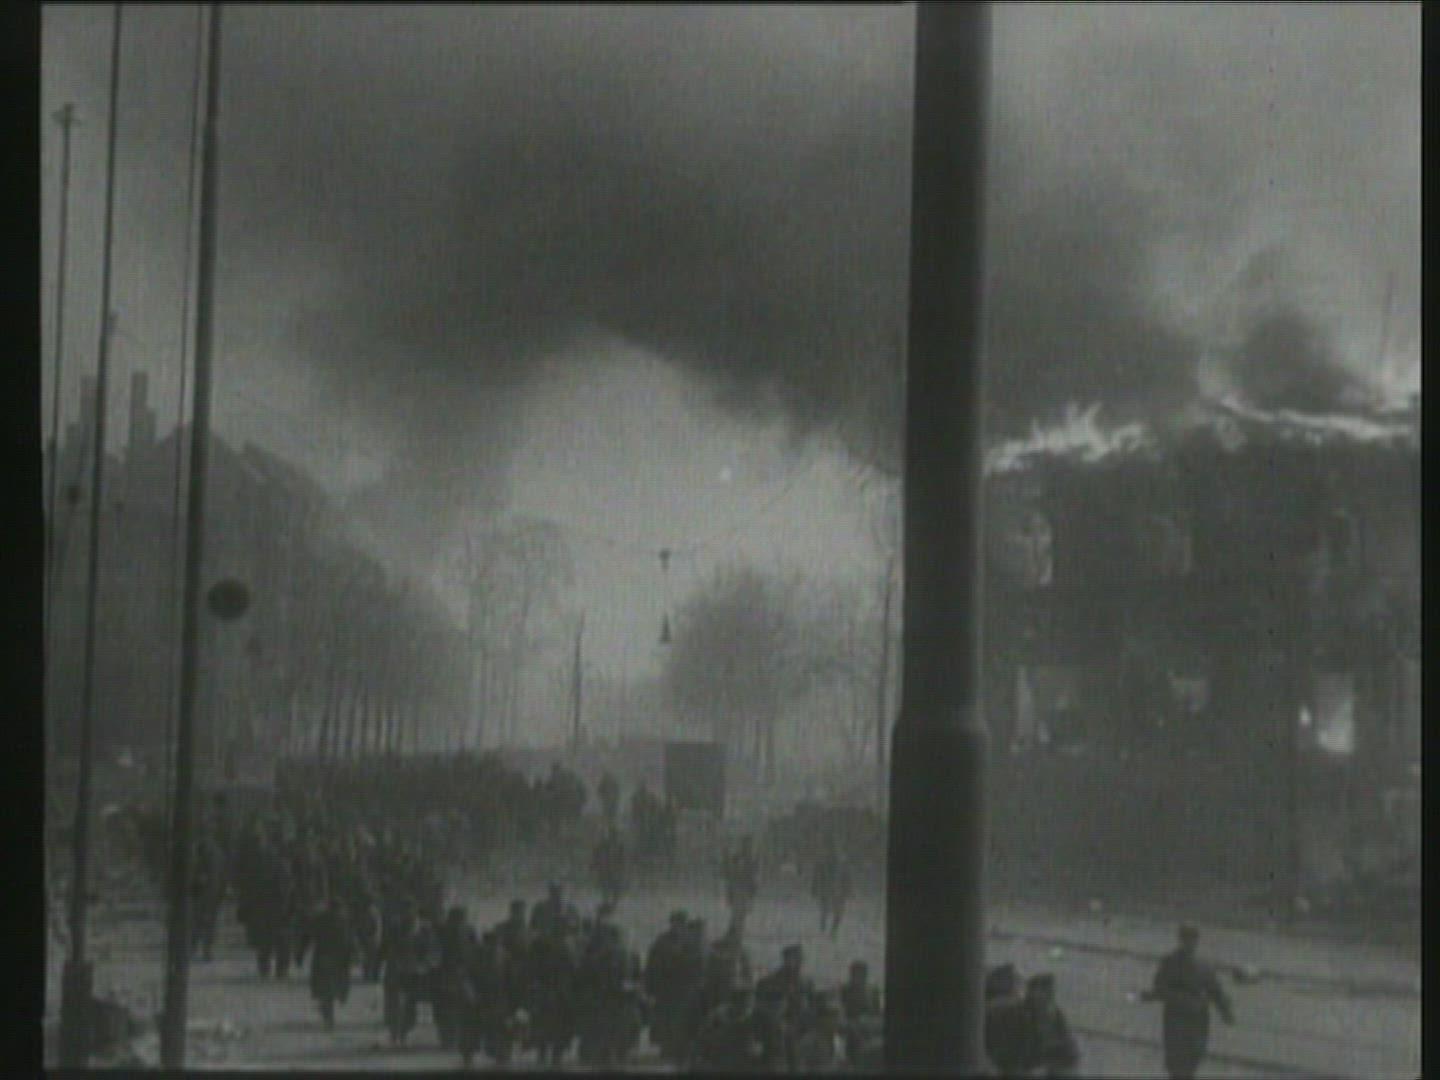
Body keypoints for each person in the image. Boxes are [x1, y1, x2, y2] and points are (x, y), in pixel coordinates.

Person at [1146, 925, 1234, 1080]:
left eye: (1193, 940)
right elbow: (1160, 988)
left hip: (1198, 1021)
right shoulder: (1170, 963)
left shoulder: (1203, 965)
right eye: (1186, 940)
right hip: (1176, 1020)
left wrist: (1225, 1011)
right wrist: (1183, 1000)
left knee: (1194, 1058)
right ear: (1180, 941)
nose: (1190, 944)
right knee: (1177, 1063)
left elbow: (1215, 990)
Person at [986, 973, 1079, 1077]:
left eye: (1047, 994)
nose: (1042, 998)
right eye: (1038, 992)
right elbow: (1004, 1054)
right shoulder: (1010, 1013)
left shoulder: (1055, 1017)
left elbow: (1070, 1055)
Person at [840, 960, 883, 1062]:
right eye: (855, 974)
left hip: (869, 1023)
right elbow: (842, 1009)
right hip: (852, 1023)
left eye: (861, 974)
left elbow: (877, 1011)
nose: (858, 978)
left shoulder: (872, 990)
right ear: (851, 975)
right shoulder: (845, 990)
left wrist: (872, 1021)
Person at [811, 838, 852, 939]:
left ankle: (833, 931)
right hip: (827, 889)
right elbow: (817, 875)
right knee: (826, 910)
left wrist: (848, 889)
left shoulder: (842, 862)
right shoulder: (822, 862)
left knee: (838, 912)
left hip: (838, 890)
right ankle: (824, 928)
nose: (834, 850)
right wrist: (814, 888)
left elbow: (847, 877)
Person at [722, 836, 760, 928]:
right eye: (747, 844)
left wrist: (753, 888)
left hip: (744, 887)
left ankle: (737, 928)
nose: (748, 846)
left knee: (741, 911)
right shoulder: (739, 857)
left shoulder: (751, 859)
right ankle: (735, 928)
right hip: (738, 886)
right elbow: (731, 871)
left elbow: (753, 874)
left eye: (749, 844)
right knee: (738, 910)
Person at [591, 826, 628, 910]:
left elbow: (623, 858)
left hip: (614, 869)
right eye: (612, 835)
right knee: (607, 887)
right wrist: (595, 865)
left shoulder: (619, 846)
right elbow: (596, 855)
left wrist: (622, 867)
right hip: (606, 869)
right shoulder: (604, 845)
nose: (614, 837)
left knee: (614, 887)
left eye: (614, 835)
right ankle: (607, 902)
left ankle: (612, 903)